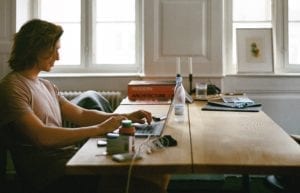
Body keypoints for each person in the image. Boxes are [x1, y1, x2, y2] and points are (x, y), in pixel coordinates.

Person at [0, 19, 167, 193]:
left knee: (157, 172)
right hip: (51, 175)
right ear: (37, 48)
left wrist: (125, 117)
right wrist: (98, 129)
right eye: (55, 50)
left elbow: (80, 114)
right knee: (147, 182)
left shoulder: (46, 85)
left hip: (69, 160)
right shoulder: (12, 87)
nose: (58, 57)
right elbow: (42, 137)